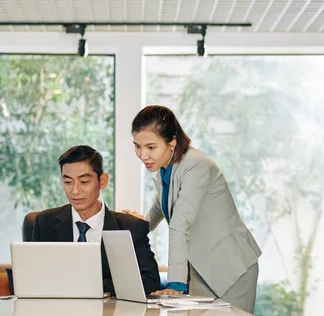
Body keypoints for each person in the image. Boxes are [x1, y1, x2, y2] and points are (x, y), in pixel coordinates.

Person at [125, 105, 261, 314]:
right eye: (137, 146)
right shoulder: (166, 169)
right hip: (201, 269)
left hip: (231, 267)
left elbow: (180, 223)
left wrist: (175, 285)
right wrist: (134, 226)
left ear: (172, 142)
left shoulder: (196, 166)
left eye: (151, 147)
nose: (143, 155)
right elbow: (159, 210)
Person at [32, 145, 160, 295]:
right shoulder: (45, 222)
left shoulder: (130, 227)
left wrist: (94, 285)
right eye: (68, 182)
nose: (75, 191)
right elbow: (33, 277)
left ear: (103, 181)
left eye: (84, 182)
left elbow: (150, 282)